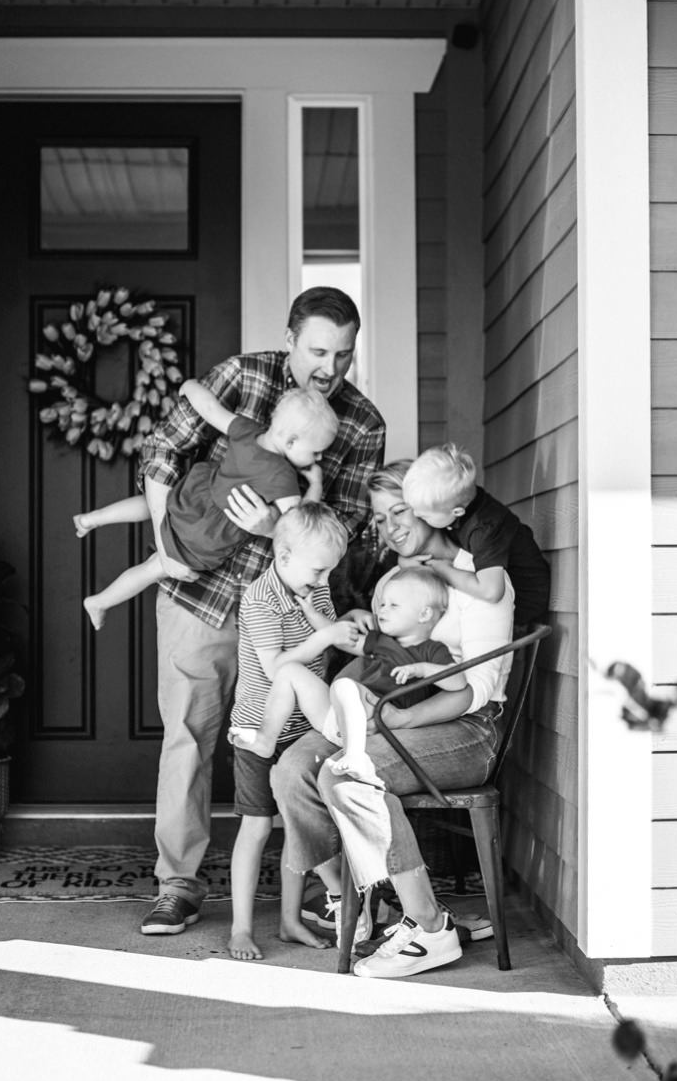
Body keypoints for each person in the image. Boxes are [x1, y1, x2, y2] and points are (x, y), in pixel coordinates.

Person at [135, 287, 386, 937]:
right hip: (203, 595)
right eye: (317, 350)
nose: (329, 366)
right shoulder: (241, 377)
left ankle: (306, 882)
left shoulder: (361, 424)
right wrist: (168, 540)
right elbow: (162, 448)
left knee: (293, 747)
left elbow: (352, 530)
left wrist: (281, 523)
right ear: (289, 338)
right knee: (188, 735)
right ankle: (178, 883)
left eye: (343, 353)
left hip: (293, 620)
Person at [271, 459, 517, 979]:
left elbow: (475, 692)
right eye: (380, 518)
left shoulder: (476, 580)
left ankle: (429, 928)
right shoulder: (395, 577)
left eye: (399, 511)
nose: (390, 527)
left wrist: (396, 724)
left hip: (466, 728)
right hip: (388, 712)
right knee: (291, 770)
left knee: (348, 775)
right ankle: (361, 903)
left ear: (433, 513)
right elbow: (382, 654)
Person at [75, 381, 338, 630]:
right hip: (206, 534)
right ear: (291, 442)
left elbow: (211, 408)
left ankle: (93, 518)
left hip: (193, 498)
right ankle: (99, 602)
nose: (319, 457)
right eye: (316, 452)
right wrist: (315, 486)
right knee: (152, 568)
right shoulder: (283, 476)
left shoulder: (248, 430)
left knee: (155, 505)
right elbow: (298, 525)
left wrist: (190, 387)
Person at [227, 503, 360, 961]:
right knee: (257, 825)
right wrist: (324, 639)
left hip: (303, 729)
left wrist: (334, 626)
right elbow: (277, 667)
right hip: (258, 724)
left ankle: (289, 920)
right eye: (319, 571)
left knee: (298, 823)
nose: (324, 582)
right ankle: (241, 928)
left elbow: (326, 625)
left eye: (330, 573)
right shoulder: (261, 598)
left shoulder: (313, 587)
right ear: (283, 556)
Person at [229, 566, 463, 784]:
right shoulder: (380, 641)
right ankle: (266, 738)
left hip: (376, 720)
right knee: (289, 671)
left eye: (394, 605)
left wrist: (422, 669)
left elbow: (458, 682)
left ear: (424, 614)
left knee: (345, 686)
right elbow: (342, 639)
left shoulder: (433, 650)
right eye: (382, 604)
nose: (382, 609)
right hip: (336, 717)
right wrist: (311, 613)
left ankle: (355, 757)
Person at [402, 443, 550, 628]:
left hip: (519, 612)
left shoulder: (484, 528)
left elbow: (491, 591)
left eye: (424, 515)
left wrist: (443, 570)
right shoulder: (461, 502)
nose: (416, 516)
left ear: (456, 512)